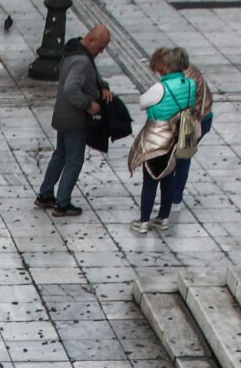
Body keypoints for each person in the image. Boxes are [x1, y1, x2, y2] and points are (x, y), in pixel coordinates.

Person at [127, 47, 209, 234]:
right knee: (168, 177)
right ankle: (163, 218)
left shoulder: (159, 88)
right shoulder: (190, 84)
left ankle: (144, 221)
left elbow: (142, 102)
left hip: (157, 138)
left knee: (150, 179)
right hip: (177, 137)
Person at [36, 26, 112, 218]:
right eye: (101, 47)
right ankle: (62, 204)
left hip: (61, 114)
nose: (101, 52)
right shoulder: (82, 61)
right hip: (75, 118)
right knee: (74, 160)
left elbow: (92, 71)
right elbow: (71, 88)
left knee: (60, 154)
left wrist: (101, 85)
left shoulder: (74, 48)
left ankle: (45, 195)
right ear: (92, 41)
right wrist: (89, 105)